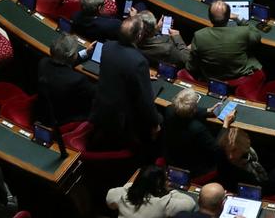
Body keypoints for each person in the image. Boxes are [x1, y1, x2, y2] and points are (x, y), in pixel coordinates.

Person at [93, 15, 161, 149]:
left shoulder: (107, 47)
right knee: (161, 119)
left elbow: (119, 68)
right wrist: (155, 123)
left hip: (101, 108)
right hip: (123, 121)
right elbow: (145, 101)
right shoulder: (139, 61)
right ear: (139, 35)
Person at [217, 115, 275, 196]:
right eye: (228, 151)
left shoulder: (250, 150)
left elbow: (270, 157)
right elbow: (261, 188)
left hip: (263, 175)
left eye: (234, 150)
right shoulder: (226, 161)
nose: (230, 156)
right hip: (256, 190)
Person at [35, 34, 95, 129]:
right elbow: (97, 94)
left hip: (43, 112)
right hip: (63, 119)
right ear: (71, 56)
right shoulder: (77, 79)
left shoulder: (43, 63)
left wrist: (85, 53)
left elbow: (63, 62)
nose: (76, 53)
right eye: (75, 52)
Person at [160, 89, 222, 175]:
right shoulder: (197, 128)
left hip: (171, 158)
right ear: (194, 109)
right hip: (192, 168)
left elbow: (184, 110)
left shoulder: (168, 110)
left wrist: (207, 111)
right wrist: (225, 125)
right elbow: (217, 149)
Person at [109, 165, 198, 218]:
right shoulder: (163, 203)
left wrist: (132, 186)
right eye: (166, 180)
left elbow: (111, 203)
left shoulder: (121, 194)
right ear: (159, 185)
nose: (169, 181)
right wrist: (171, 191)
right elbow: (191, 204)